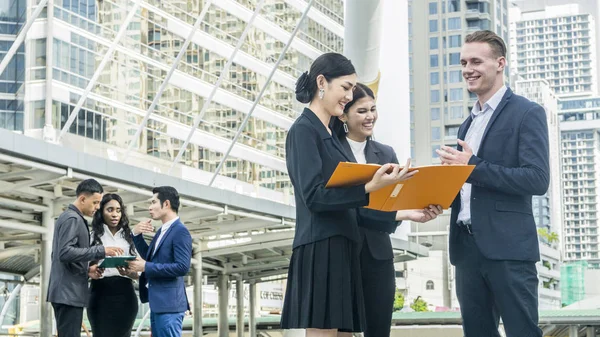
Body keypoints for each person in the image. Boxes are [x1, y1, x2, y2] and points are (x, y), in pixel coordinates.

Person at [280, 52, 417, 337]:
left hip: (343, 246)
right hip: (321, 246)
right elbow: (314, 197)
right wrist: (368, 188)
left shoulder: (329, 136)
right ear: (322, 82)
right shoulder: (304, 131)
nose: (348, 95)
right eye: (345, 87)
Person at [436, 30, 549, 337]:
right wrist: (438, 194)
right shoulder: (468, 123)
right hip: (466, 249)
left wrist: (471, 166)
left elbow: (537, 179)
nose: (467, 69)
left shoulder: (527, 113)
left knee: (522, 332)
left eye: (476, 61)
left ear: (500, 63)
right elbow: (468, 183)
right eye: (463, 62)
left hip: (509, 249)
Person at [332, 83, 443, 337]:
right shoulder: (331, 150)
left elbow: (388, 205)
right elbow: (346, 207)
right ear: (344, 115)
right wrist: (403, 214)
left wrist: (410, 211)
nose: (370, 116)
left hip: (378, 256)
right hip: (342, 254)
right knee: (341, 331)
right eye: (361, 111)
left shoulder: (385, 153)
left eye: (373, 109)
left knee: (379, 330)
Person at [47, 179, 124, 337]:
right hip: (68, 293)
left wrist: (86, 270)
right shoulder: (73, 219)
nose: (97, 207)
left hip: (66, 292)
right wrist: (100, 250)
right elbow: (64, 253)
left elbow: (59, 254)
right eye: (95, 202)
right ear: (82, 199)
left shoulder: (69, 217)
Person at [128, 186, 192, 337]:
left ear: (166, 204)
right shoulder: (163, 230)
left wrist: (146, 267)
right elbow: (151, 258)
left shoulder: (180, 231)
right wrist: (136, 235)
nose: (150, 208)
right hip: (159, 304)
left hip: (169, 306)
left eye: (153, 202)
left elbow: (182, 267)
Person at [87, 193, 139, 337]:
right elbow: (82, 266)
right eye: (110, 210)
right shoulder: (92, 236)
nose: (115, 214)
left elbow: (139, 273)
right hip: (99, 294)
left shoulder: (130, 237)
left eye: (118, 210)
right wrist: (91, 269)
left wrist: (129, 272)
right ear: (101, 212)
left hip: (126, 295)